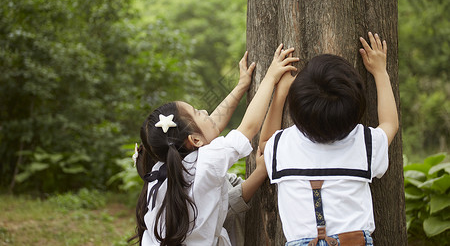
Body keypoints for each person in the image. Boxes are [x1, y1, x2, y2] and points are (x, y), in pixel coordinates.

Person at [130, 46, 298, 246]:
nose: (204, 110)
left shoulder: (162, 170)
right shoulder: (205, 163)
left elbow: (211, 126)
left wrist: (241, 86)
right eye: (197, 113)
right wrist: (270, 77)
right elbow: (249, 128)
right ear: (194, 141)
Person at [260, 32, 399, 246]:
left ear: (295, 107)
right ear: (356, 111)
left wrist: (280, 93)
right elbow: (390, 124)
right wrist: (380, 72)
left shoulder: (280, 146)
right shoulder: (365, 143)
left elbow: (264, 144)